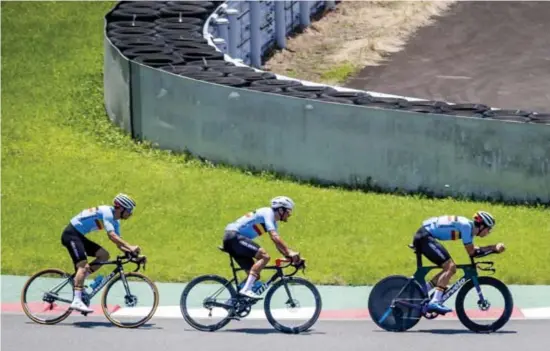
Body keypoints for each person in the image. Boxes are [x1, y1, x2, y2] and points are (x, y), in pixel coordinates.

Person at [412, 211, 505, 315]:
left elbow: (472, 251)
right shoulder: (466, 227)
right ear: (482, 226)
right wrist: (493, 248)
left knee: (450, 268)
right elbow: (472, 252)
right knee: (450, 267)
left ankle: (421, 291)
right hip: (425, 237)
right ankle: (434, 301)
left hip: (425, 236)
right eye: (489, 229)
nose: (489, 232)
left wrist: (492, 249)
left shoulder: (468, 228)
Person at [61, 193, 141, 313]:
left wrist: (134, 255)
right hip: (71, 234)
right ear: (121, 208)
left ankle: (79, 280)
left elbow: (118, 243)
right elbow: (112, 235)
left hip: (79, 236)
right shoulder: (107, 212)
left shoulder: (115, 221)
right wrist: (130, 246)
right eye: (129, 210)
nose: (131, 213)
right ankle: (76, 300)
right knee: (82, 266)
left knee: (104, 255)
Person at [222, 196, 302, 299]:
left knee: (255, 276)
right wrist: (289, 252)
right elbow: (274, 237)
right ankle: (246, 290)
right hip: (234, 236)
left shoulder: (273, 222)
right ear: (281, 209)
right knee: (265, 256)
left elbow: (277, 244)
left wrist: (292, 257)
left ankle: (234, 301)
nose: (290, 214)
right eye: (288, 211)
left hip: (234, 240)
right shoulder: (268, 213)